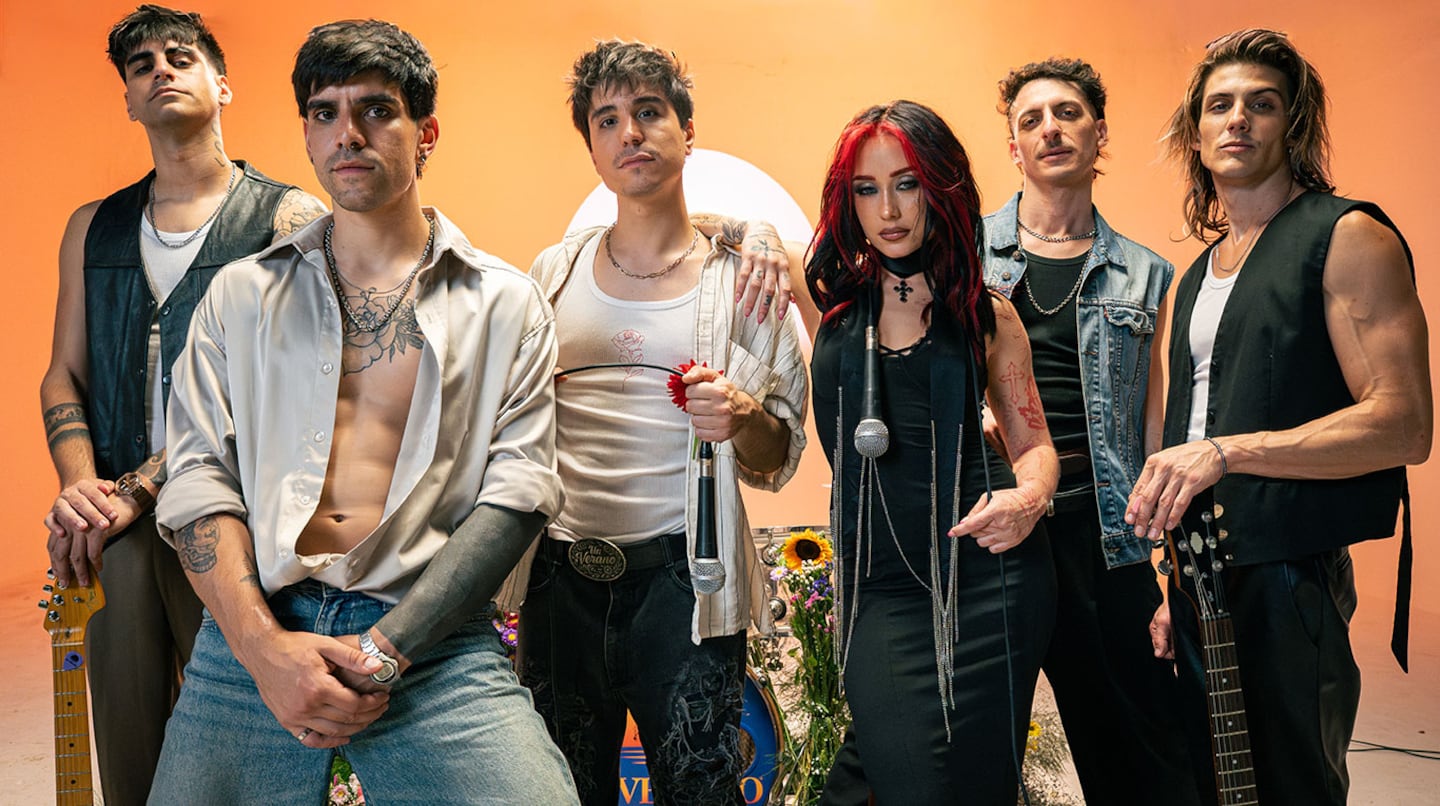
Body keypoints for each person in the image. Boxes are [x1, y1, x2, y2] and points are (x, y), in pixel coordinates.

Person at [147, 20, 577, 802]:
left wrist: (383, 654)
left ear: (425, 134)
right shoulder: (241, 296)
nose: (348, 133)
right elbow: (197, 479)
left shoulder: (506, 304)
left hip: (431, 642)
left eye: (377, 110)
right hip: (252, 636)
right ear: (308, 135)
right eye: (325, 113)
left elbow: (518, 497)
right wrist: (264, 652)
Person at [1128, 28, 1430, 806]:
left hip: (1291, 571)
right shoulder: (1196, 274)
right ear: (1195, 134)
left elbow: (1404, 424)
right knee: (1208, 789)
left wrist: (1227, 453)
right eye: (1219, 105)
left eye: (1261, 104)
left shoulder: (1347, 235)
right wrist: (1172, 583)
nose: (1238, 119)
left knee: (1295, 789)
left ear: (1292, 124)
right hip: (1197, 576)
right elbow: (1187, 434)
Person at [507, 40, 809, 806]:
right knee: (560, 795)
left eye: (648, 111)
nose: (630, 133)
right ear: (592, 148)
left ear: (687, 129)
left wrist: (741, 414)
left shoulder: (744, 278)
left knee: (700, 791)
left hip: (686, 583)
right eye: (607, 120)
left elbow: (777, 454)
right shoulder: (551, 274)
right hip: (558, 582)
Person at [38, 6, 325, 803]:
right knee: (128, 752)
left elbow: (282, 393)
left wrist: (139, 489)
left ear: (222, 85)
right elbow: (62, 374)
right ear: (129, 101)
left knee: (245, 746)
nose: (160, 69)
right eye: (141, 66)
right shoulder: (91, 228)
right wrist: (83, 489)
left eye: (180, 56)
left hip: (241, 513)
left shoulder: (290, 220)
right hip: (116, 527)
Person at [806, 99, 1057, 805]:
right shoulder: (829, 304)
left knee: (977, 788)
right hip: (882, 588)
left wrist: (1028, 498)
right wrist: (754, 235)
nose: (887, 209)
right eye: (866, 188)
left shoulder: (986, 314)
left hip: (991, 579)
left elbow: (1035, 445)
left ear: (939, 186)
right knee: (904, 778)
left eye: (907, 183)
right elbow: (698, 224)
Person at [980, 58, 1199, 805]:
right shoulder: (962, 254)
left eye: (1068, 113)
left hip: (1105, 533)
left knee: (1147, 759)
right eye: (1031, 119)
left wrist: (1171, 569)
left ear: (1099, 133)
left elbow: (1154, 427)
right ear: (1014, 147)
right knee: (969, 752)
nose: (1051, 129)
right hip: (995, 523)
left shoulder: (1146, 273)